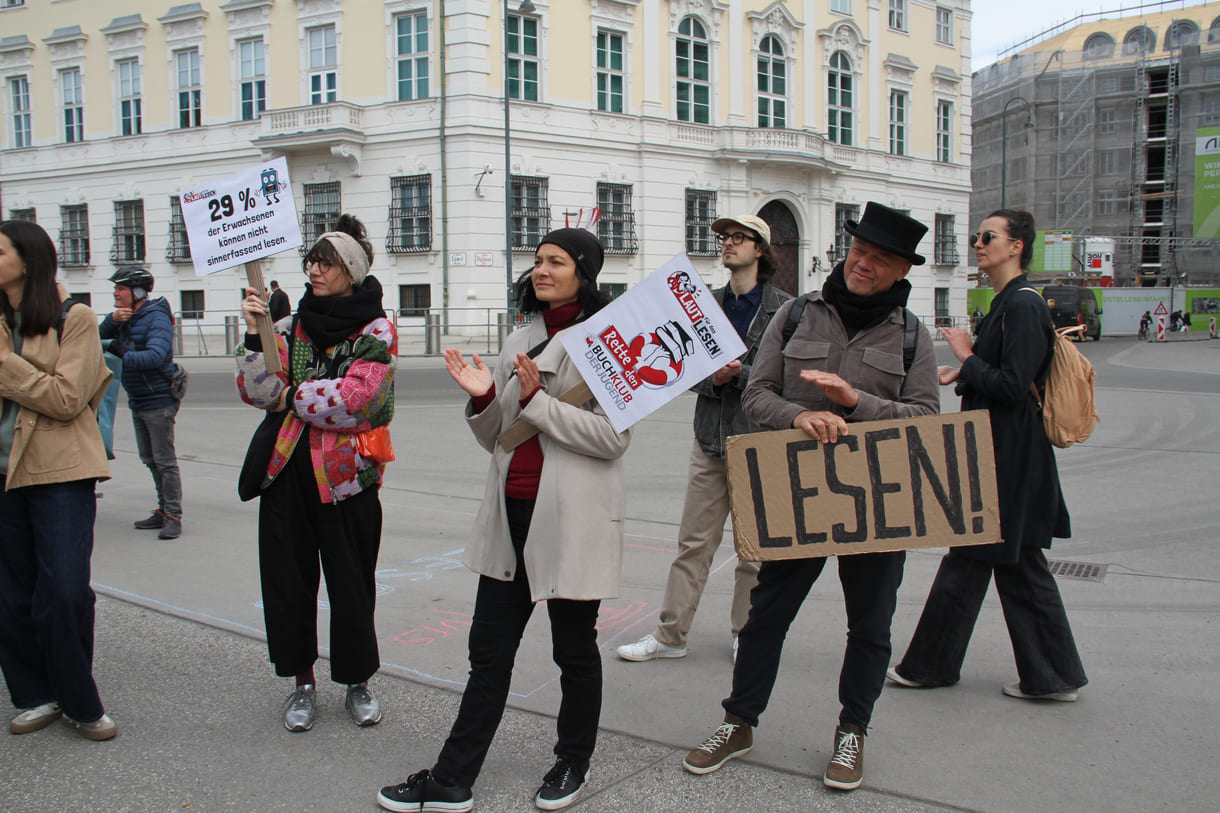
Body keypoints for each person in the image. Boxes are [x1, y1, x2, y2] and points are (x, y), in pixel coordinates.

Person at [681, 202, 939, 792]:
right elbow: (758, 394)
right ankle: (738, 721)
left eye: (881, 259)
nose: (864, 265)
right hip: (797, 490)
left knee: (871, 625)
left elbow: (926, 415)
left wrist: (856, 404)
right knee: (767, 614)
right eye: (859, 251)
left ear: (903, 271)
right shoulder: (797, 315)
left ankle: (853, 731)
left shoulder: (912, 336)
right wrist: (799, 417)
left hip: (879, 496)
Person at [378, 228, 630, 813]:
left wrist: (540, 401)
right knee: (488, 653)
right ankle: (451, 779)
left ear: (584, 273)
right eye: (538, 260)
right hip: (509, 514)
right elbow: (498, 440)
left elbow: (613, 439)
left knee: (574, 650)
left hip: (571, 520)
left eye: (557, 262)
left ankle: (573, 761)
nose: (541, 270)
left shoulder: (609, 342)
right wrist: (485, 397)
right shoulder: (520, 337)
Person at [888, 209, 1087, 704]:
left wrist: (967, 357)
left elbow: (1015, 385)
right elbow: (1007, 375)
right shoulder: (1007, 302)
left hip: (1008, 456)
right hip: (1001, 449)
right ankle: (1051, 676)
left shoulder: (1022, 305)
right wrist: (970, 371)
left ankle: (932, 667)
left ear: (1017, 245)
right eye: (976, 237)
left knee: (976, 555)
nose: (978, 243)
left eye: (988, 237)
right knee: (1009, 562)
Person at [235, 214, 397, 732]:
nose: (314, 270)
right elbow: (254, 389)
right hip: (285, 475)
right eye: (311, 260)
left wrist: (290, 396)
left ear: (351, 270)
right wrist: (253, 336)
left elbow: (357, 401)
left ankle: (357, 681)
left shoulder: (376, 330)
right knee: (288, 584)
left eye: (325, 262)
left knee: (352, 585)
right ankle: (301, 682)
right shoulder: (287, 326)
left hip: (348, 480)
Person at [617, 214, 789, 665]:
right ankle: (670, 636)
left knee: (753, 552)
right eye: (724, 237)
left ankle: (745, 634)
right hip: (709, 441)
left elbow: (790, 380)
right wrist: (712, 379)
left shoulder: (786, 309)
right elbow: (676, 370)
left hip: (759, 444)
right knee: (693, 545)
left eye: (739, 238)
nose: (727, 244)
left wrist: (742, 374)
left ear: (761, 249)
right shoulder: (703, 303)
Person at [0, 220, 117, 741]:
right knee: (11, 592)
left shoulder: (76, 317)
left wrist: (5, 364)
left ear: (27, 259)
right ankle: (34, 693)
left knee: (65, 589)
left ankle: (77, 699)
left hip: (59, 470)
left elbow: (68, 399)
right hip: (3, 473)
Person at [99, 266, 183, 539]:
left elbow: (156, 357)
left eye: (120, 289)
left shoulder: (156, 318)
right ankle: (162, 510)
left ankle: (173, 515)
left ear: (137, 292)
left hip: (158, 399)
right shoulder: (128, 317)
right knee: (149, 458)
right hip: (138, 398)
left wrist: (121, 350)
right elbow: (98, 336)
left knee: (164, 460)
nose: (115, 293)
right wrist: (113, 320)